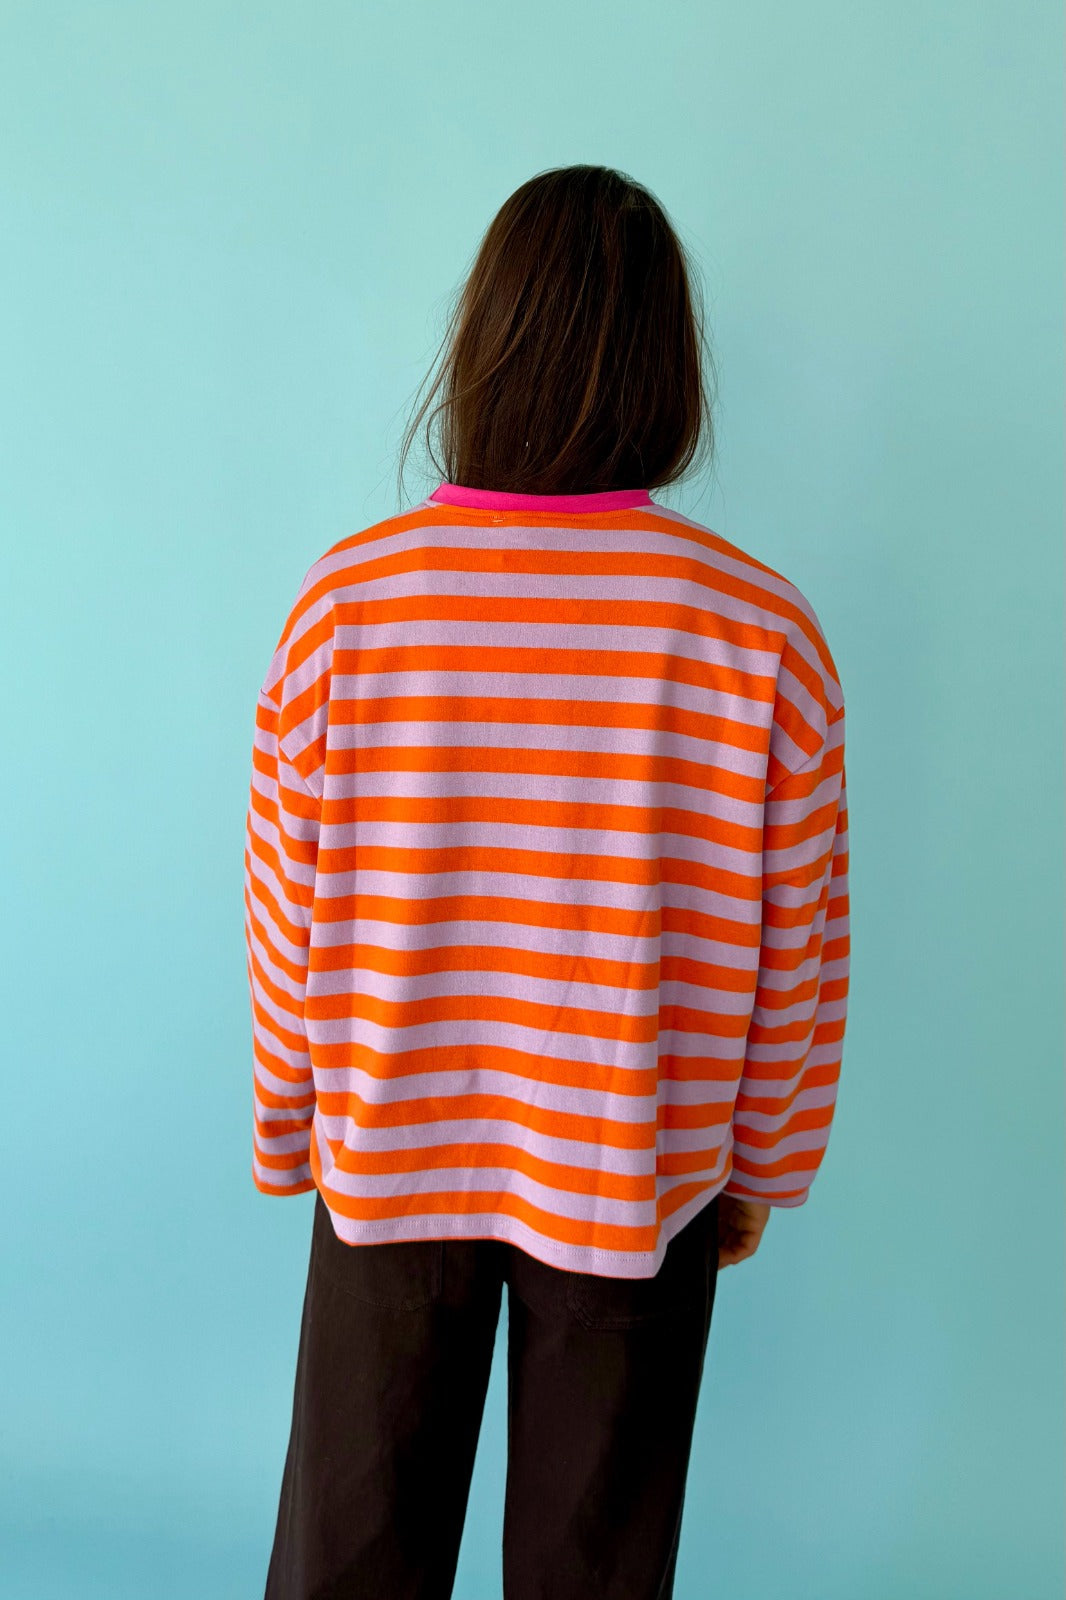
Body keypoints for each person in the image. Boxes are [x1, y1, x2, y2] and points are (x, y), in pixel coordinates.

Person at [245, 163, 850, 1600]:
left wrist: (289, 1123)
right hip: (634, 1166)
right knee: (596, 1565)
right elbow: (799, 947)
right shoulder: (758, 633)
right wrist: (762, 1164)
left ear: (482, 341)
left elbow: (287, 905)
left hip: (390, 1144)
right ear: (668, 367)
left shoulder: (350, 606)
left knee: (350, 1550)